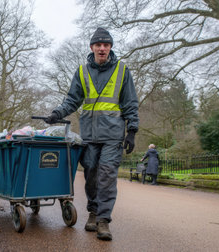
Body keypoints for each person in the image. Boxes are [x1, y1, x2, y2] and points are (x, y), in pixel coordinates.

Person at [44, 27, 139, 241]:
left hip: (113, 135)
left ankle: (104, 221)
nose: (102, 48)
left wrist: (132, 130)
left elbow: (130, 102)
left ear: (110, 47)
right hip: (89, 135)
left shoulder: (122, 71)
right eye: (98, 45)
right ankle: (93, 212)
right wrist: (57, 113)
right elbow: (72, 99)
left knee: (106, 176)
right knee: (91, 176)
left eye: (106, 45)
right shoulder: (82, 72)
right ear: (92, 47)